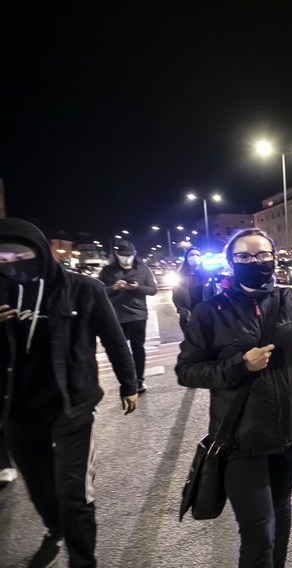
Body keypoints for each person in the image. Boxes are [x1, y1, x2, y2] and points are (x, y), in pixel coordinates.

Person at [175, 228, 292, 568]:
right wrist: (240, 365)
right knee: (259, 532)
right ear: (231, 262)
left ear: (273, 257)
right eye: (243, 256)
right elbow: (188, 370)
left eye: (261, 255)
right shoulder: (209, 312)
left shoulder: (290, 300)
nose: (253, 262)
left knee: (281, 508)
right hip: (241, 439)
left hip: (291, 429)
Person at [0, 217, 138, 568]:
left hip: (71, 406)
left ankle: (82, 560)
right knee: (41, 489)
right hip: (17, 409)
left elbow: (114, 339)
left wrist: (129, 384)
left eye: (21, 256)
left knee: (74, 494)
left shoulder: (82, 289)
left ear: (41, 251)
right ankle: (55, 527)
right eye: (3, 259)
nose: (13, 265)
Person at [98, 240, 158, 394]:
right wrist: (114, 288)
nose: (126, 258)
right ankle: (127, 380)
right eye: (123, 255)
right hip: (117, 316)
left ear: (135, 254)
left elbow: (152, 290)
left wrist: (137, 287)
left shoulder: (143, 269)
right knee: (121, 350)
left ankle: (139, 380)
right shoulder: (107, 271)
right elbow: (99, 291)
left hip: (138, 315)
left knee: (138, 348)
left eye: (129, 255)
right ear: (116, 254)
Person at [171, 246, 218, 334]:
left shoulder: (208, 275)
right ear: (186, 258)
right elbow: (177, 299)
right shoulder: (180, 276)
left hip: (206, 315)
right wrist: (185, 314)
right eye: (192, 255)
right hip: (189, 317)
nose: (195, 257)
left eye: (197, 255)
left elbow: (214, 295)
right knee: (192, 344)